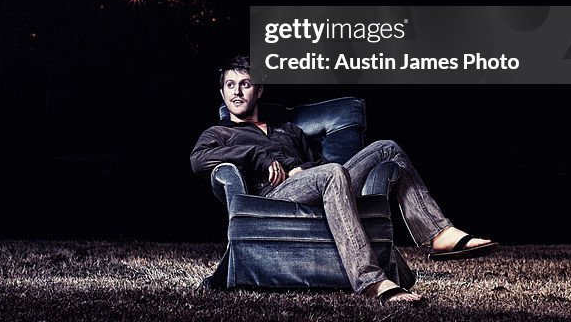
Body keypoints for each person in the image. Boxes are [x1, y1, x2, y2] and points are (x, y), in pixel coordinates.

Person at [190, 56, 498, 304]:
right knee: (332, 172)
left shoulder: (288, 130)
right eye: (230, 85)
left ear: (259, 89)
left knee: (386, 148)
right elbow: (198, 159)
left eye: (245, 84)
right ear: (222, 93)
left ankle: (438, 233)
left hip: (319, 182)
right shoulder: (219, 134)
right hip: (276, 195)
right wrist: (258, 157)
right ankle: (371, 281)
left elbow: (318, 164)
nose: (237, 92)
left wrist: (311, 170)